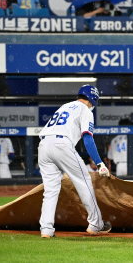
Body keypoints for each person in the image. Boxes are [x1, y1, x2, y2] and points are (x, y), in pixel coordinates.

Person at [38, 85, 112, 237]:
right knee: (84, 181)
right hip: (61, 144)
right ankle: (96, 224)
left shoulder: (64, 106)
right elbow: (88, 138)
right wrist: (99, 163)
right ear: (93, 99)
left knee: (50, 191)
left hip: (43, 145)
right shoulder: (85, 110)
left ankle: (46, 230)